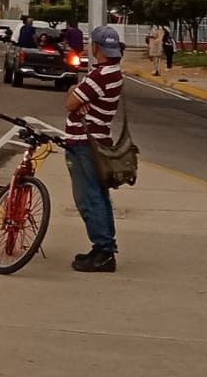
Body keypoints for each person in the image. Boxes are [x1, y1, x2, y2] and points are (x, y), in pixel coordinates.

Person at [65, 25, 125, 272]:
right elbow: (76, 100)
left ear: (96, 47)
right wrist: (78, 99)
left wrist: (76, 96)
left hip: (84, 143)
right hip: (98, 140)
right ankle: (105, 247)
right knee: (99, 196)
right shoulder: (113, 72)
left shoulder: (100, 76)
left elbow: (70, 101)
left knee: (88, 197)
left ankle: (102, 251)